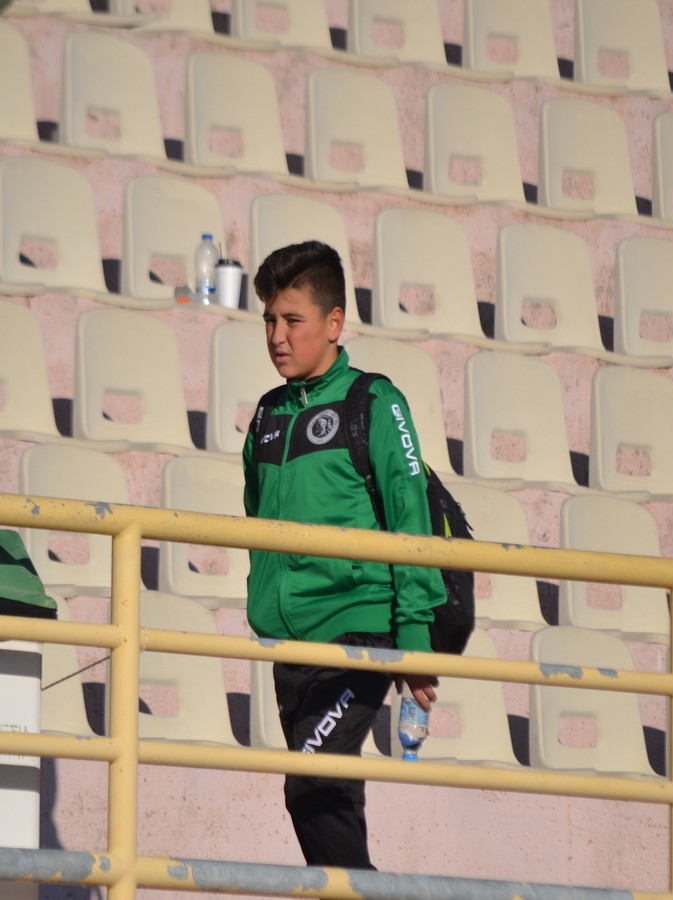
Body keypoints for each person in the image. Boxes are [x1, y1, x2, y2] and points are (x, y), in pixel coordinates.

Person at [242, 240, 445, 871]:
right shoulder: (267, 414)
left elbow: (411, 517)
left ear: (334, 323)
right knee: (322, 799)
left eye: (292, 320)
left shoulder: (375, 402)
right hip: (289, 643)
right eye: (269, 320)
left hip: (359, 632)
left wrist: (414, 641)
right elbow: (256, 516)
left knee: (310, 781)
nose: (277, 336)